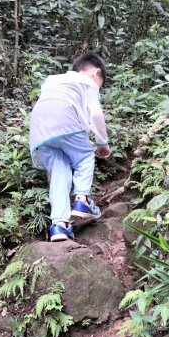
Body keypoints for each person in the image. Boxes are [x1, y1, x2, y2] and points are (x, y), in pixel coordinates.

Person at [29, 52, 111, 242]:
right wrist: (102, 144)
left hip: (40, 129)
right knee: (85, 157)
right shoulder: (87, 82)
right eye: (101, 82)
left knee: (60, 171)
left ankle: (59, 225)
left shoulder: (53, 81)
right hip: (65, 119)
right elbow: (96, 115)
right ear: (96, 73)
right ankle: (82, 200)